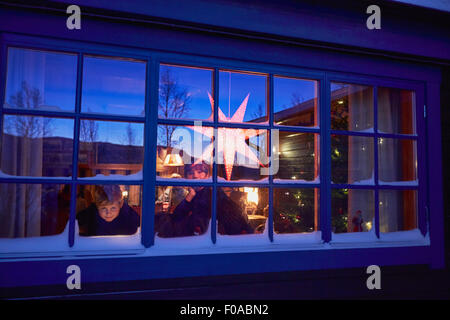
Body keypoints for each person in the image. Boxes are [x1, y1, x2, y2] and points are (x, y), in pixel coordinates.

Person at [155, 162, 253, 237]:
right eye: (190, 173)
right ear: (186, 177)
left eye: (200, 172)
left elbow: (233, 219)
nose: (195, 176)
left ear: (207, 176)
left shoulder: (211, 193)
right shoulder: (195, 194)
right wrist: (190, 196)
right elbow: (177, 216)